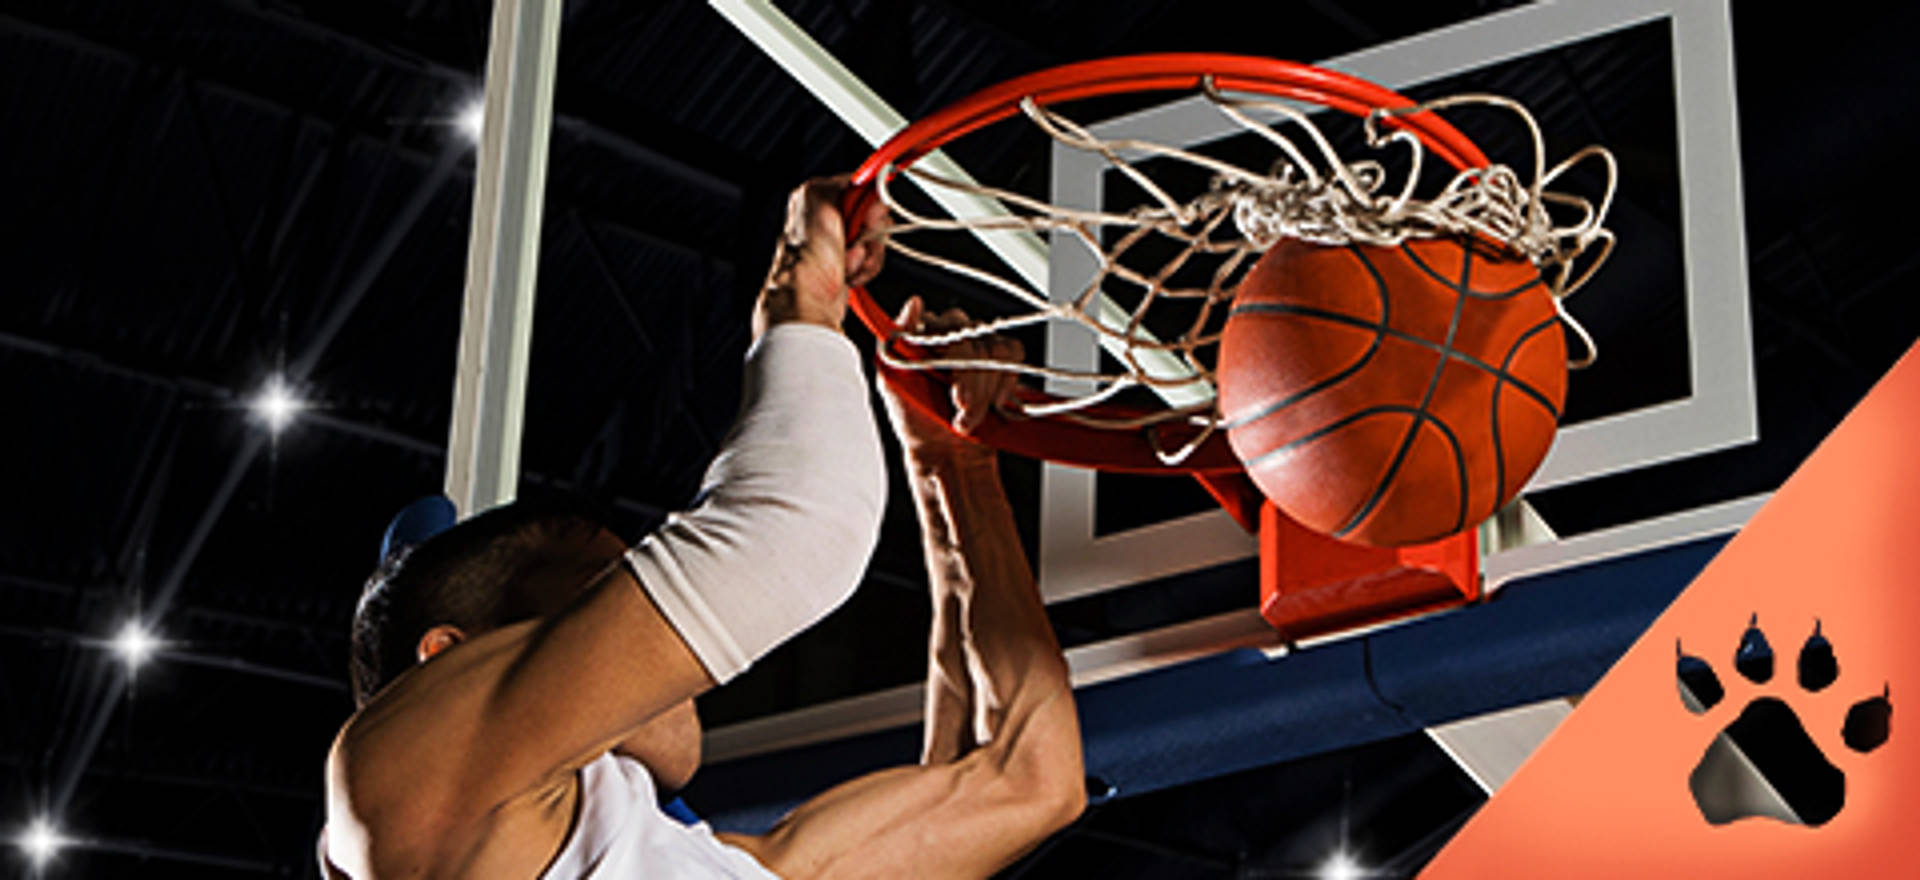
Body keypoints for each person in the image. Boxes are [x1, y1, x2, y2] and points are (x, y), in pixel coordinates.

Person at [322, 177, 1086, 879]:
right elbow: (796, 528)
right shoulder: (390, 786)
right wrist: (801, 304)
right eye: (601, 593)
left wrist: (950, 461)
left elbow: (1027, 780)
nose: (654, 609)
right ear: (447, 660)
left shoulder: (720, 866)